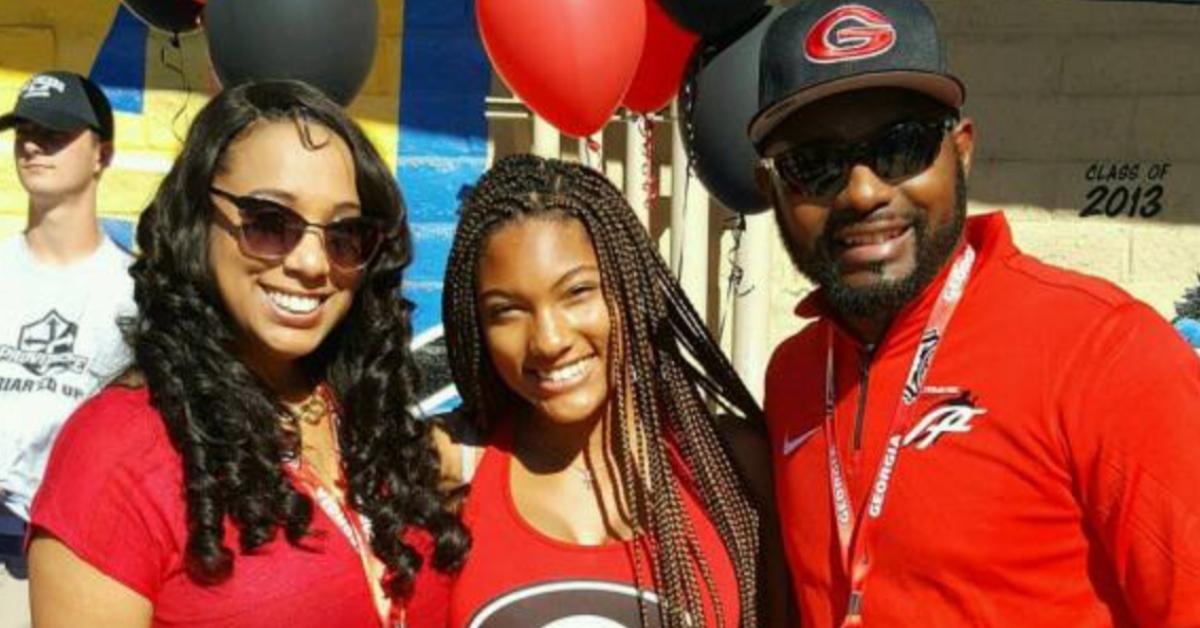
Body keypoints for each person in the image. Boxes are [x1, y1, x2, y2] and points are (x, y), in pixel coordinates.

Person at [750, 0, 1200, 625]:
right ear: (770, 187)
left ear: (960, 152)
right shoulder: (794, 376)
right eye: (815, 165)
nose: (863, 191)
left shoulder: (1104, 351)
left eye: (901, 147)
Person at [26, 80, 468, 627]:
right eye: (268, 222)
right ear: (197, 221)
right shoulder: (116, 454)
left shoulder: (365, 421)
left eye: (345, 233)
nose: (311, 262)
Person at [437, 155, 788, 627]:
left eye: (578, 293)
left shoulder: (734, 466)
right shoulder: (448, 469)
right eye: (507, 311)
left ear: (631, 291)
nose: (549, 340)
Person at [0, 70, 132, 606]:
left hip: (70, 557)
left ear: (102, 153)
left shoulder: (136, 296)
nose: (33, 145)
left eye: (55, 133)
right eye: (24, 131)